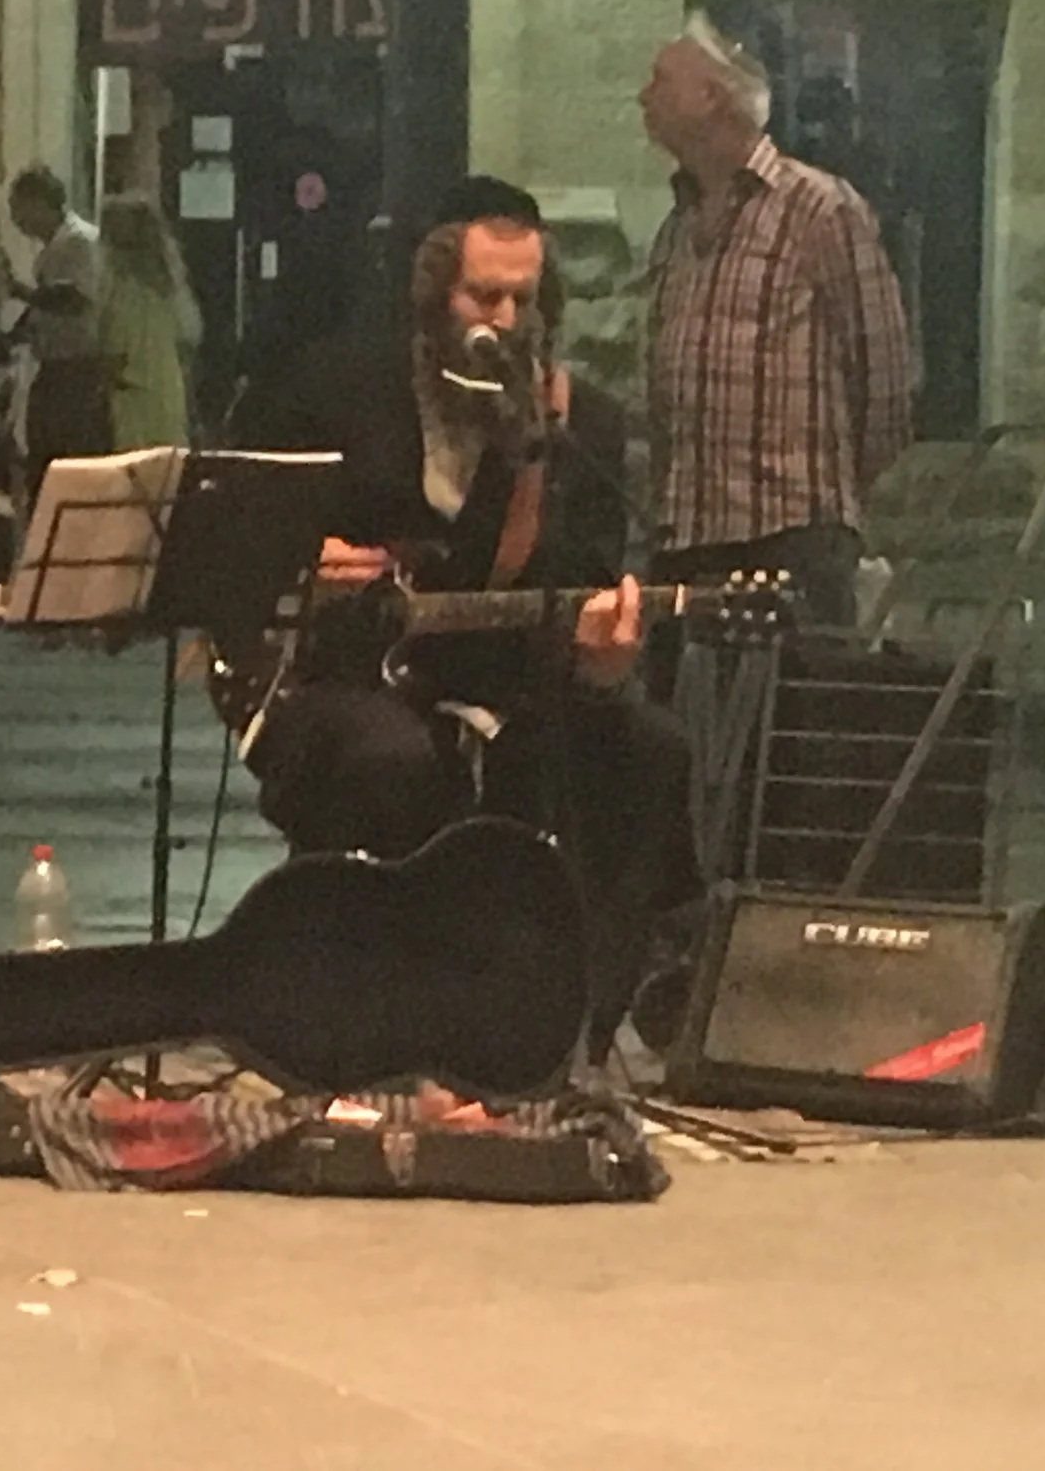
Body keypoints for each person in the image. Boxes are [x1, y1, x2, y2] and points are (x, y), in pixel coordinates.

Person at [234, 177, 701, 1061]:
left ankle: (574, 1030)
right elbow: (241, 521)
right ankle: (372, 1021)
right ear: (431, 292)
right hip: (343, 674)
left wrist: (602, 654)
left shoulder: (579, 422)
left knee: (649, 747)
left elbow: (584, 585)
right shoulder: (335, 386)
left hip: (505, 677)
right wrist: (303, 557)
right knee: (392, 757)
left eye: (525, 298)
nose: (506, 318)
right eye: (484, 295)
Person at [639, 14, 914, 633]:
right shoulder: (677, 226)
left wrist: (835, 501)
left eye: (660, 80)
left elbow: (884, 376)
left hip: (792, 538)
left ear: (711, 97)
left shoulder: (820, 209)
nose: (643, 96)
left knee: (794, 693)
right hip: (687, 536)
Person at [6, 165, 109, 476]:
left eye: (18, 208)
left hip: (77, 367)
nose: (15, 219)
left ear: (39, 202)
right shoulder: (55, 247)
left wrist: (18, 290)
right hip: (55, 364)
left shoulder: (78, 242)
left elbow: (74, 299)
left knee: (63, 453)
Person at [95, 193, 201, 451]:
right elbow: (188, 343)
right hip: (169, 392)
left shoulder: (121, 291)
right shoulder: (171, 287)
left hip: (133, 399)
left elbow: (115, 353)